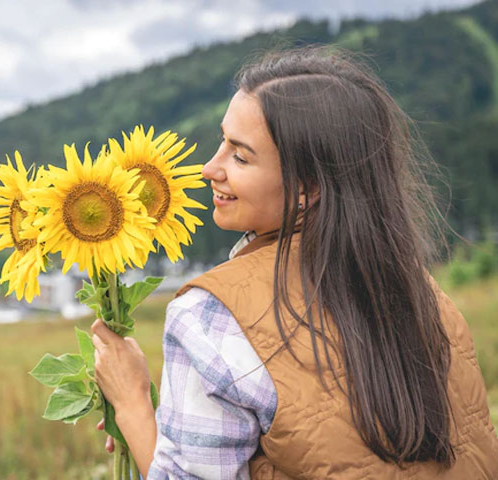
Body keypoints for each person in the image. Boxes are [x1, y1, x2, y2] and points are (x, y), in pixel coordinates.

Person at [90, 46, 498, 479]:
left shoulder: (211, 317)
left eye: (240, 156)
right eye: (221, 141)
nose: (210, 168)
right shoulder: (421, 292)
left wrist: (133, 406)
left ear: (307, 188)